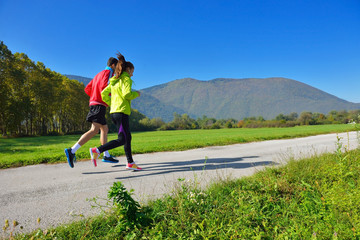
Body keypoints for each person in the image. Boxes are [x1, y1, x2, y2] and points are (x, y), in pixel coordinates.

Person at [64, 56, 121, 168]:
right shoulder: (108, 73)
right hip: (99, 104)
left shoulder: (98, 74)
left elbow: (87, 88)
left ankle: (106, 154)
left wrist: (94, 97)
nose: (117, 70)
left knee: (104, 129)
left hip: (96, 103)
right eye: (117, 67)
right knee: (94, 130)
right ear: (113, 65)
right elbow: (105, 87)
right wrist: (111, 96)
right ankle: (72, 150)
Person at [89, 55, 141, 170]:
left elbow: (103, 93)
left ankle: (130, 162)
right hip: (121, 112)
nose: (132, 74)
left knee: (127, 137)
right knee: (122, 139)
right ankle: (97, 150)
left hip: (115, 112)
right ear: (128, 69)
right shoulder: (126, 79)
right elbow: (127, 94)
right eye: (132, 71)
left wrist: (112, 103)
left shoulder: (114, 81)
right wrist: (136, 94)